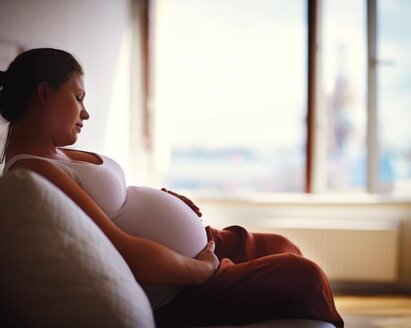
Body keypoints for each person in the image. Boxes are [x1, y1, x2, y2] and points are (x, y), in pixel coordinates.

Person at [0, 48, 343, 328]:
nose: (85, 113)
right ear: (45, 94)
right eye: (78, 97)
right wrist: (204, 270)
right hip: (178, 286)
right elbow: (125, 251)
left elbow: (116, 205)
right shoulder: (32, 175)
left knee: (282, 245)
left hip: (192, 250)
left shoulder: (54, 153)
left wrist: (165, 204)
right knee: (306, 278)